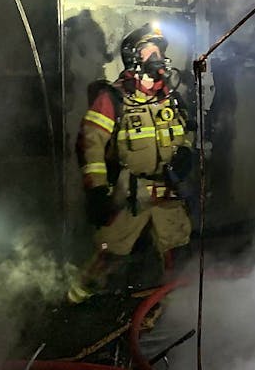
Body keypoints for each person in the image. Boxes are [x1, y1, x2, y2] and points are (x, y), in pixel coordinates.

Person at [67, 23, 193, 303]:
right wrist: (97, 190)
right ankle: (75, 302)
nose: (157, 55)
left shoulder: (170, 98)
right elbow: (90, 145)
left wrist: (185, 152)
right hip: (131, 195)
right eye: (149, 50)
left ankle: (171, 311)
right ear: (133, 57)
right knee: (109, 255)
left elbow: (187, 131)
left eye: (159, 49)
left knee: (176, 255)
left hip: (168, 194)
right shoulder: (113, 98)